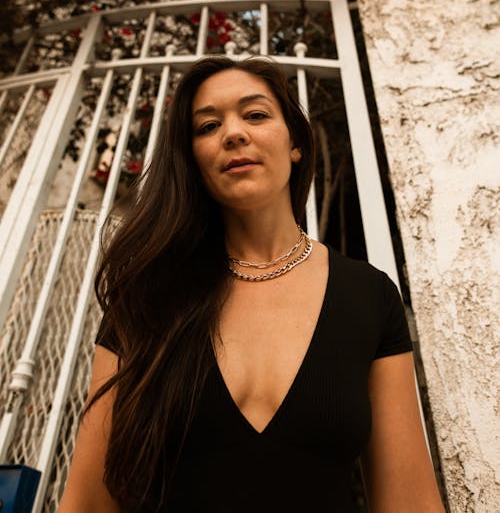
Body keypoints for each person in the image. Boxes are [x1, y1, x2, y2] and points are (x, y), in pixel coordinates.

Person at [57, 56, 445, 512]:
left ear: (296, 142)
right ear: (193, 159)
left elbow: (409, 501)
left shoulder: (369, 296)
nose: (233, 133)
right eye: (207, 127)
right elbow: (88, 500)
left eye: (255, 114)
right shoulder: (148, 295)